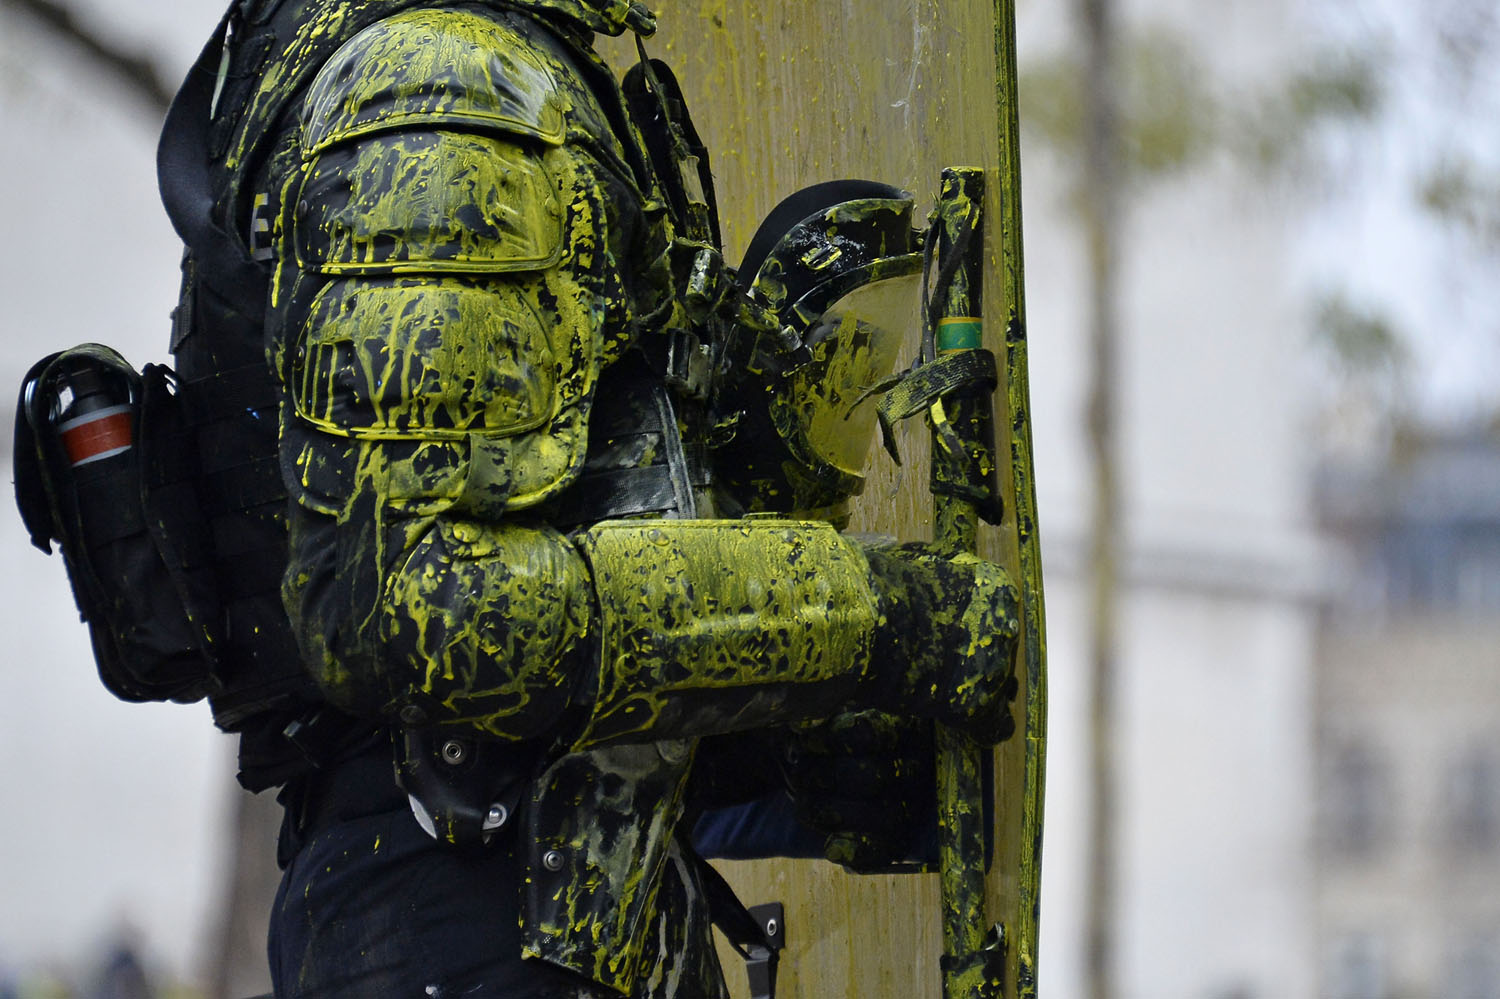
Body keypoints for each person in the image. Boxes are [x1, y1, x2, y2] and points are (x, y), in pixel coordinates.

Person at [155, 1, 1021, 995]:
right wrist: (872, 617)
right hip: (483, 915)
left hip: (522, 906)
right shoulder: (435, 83)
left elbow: (592, 523)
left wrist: (809, 727)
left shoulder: (459, 69)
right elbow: (438, 609)